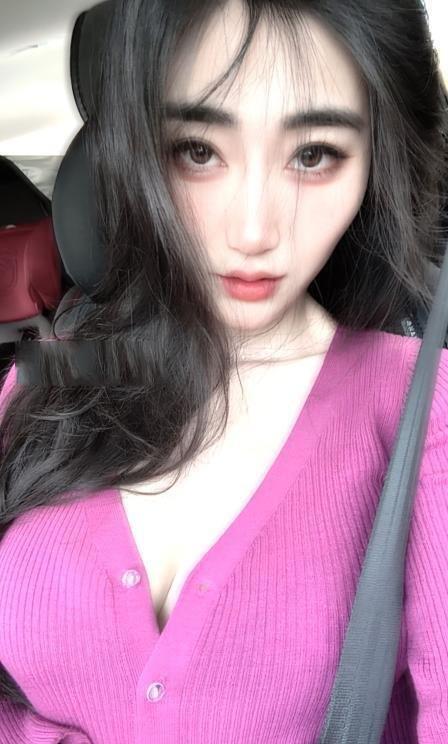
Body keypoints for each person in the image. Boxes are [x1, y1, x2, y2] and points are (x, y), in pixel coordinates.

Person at [0, 0, 447, 742]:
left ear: (376, 163)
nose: (253, 230)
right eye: (198, 151)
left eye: (314, 154)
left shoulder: (424, 414)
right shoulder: (41, 384)